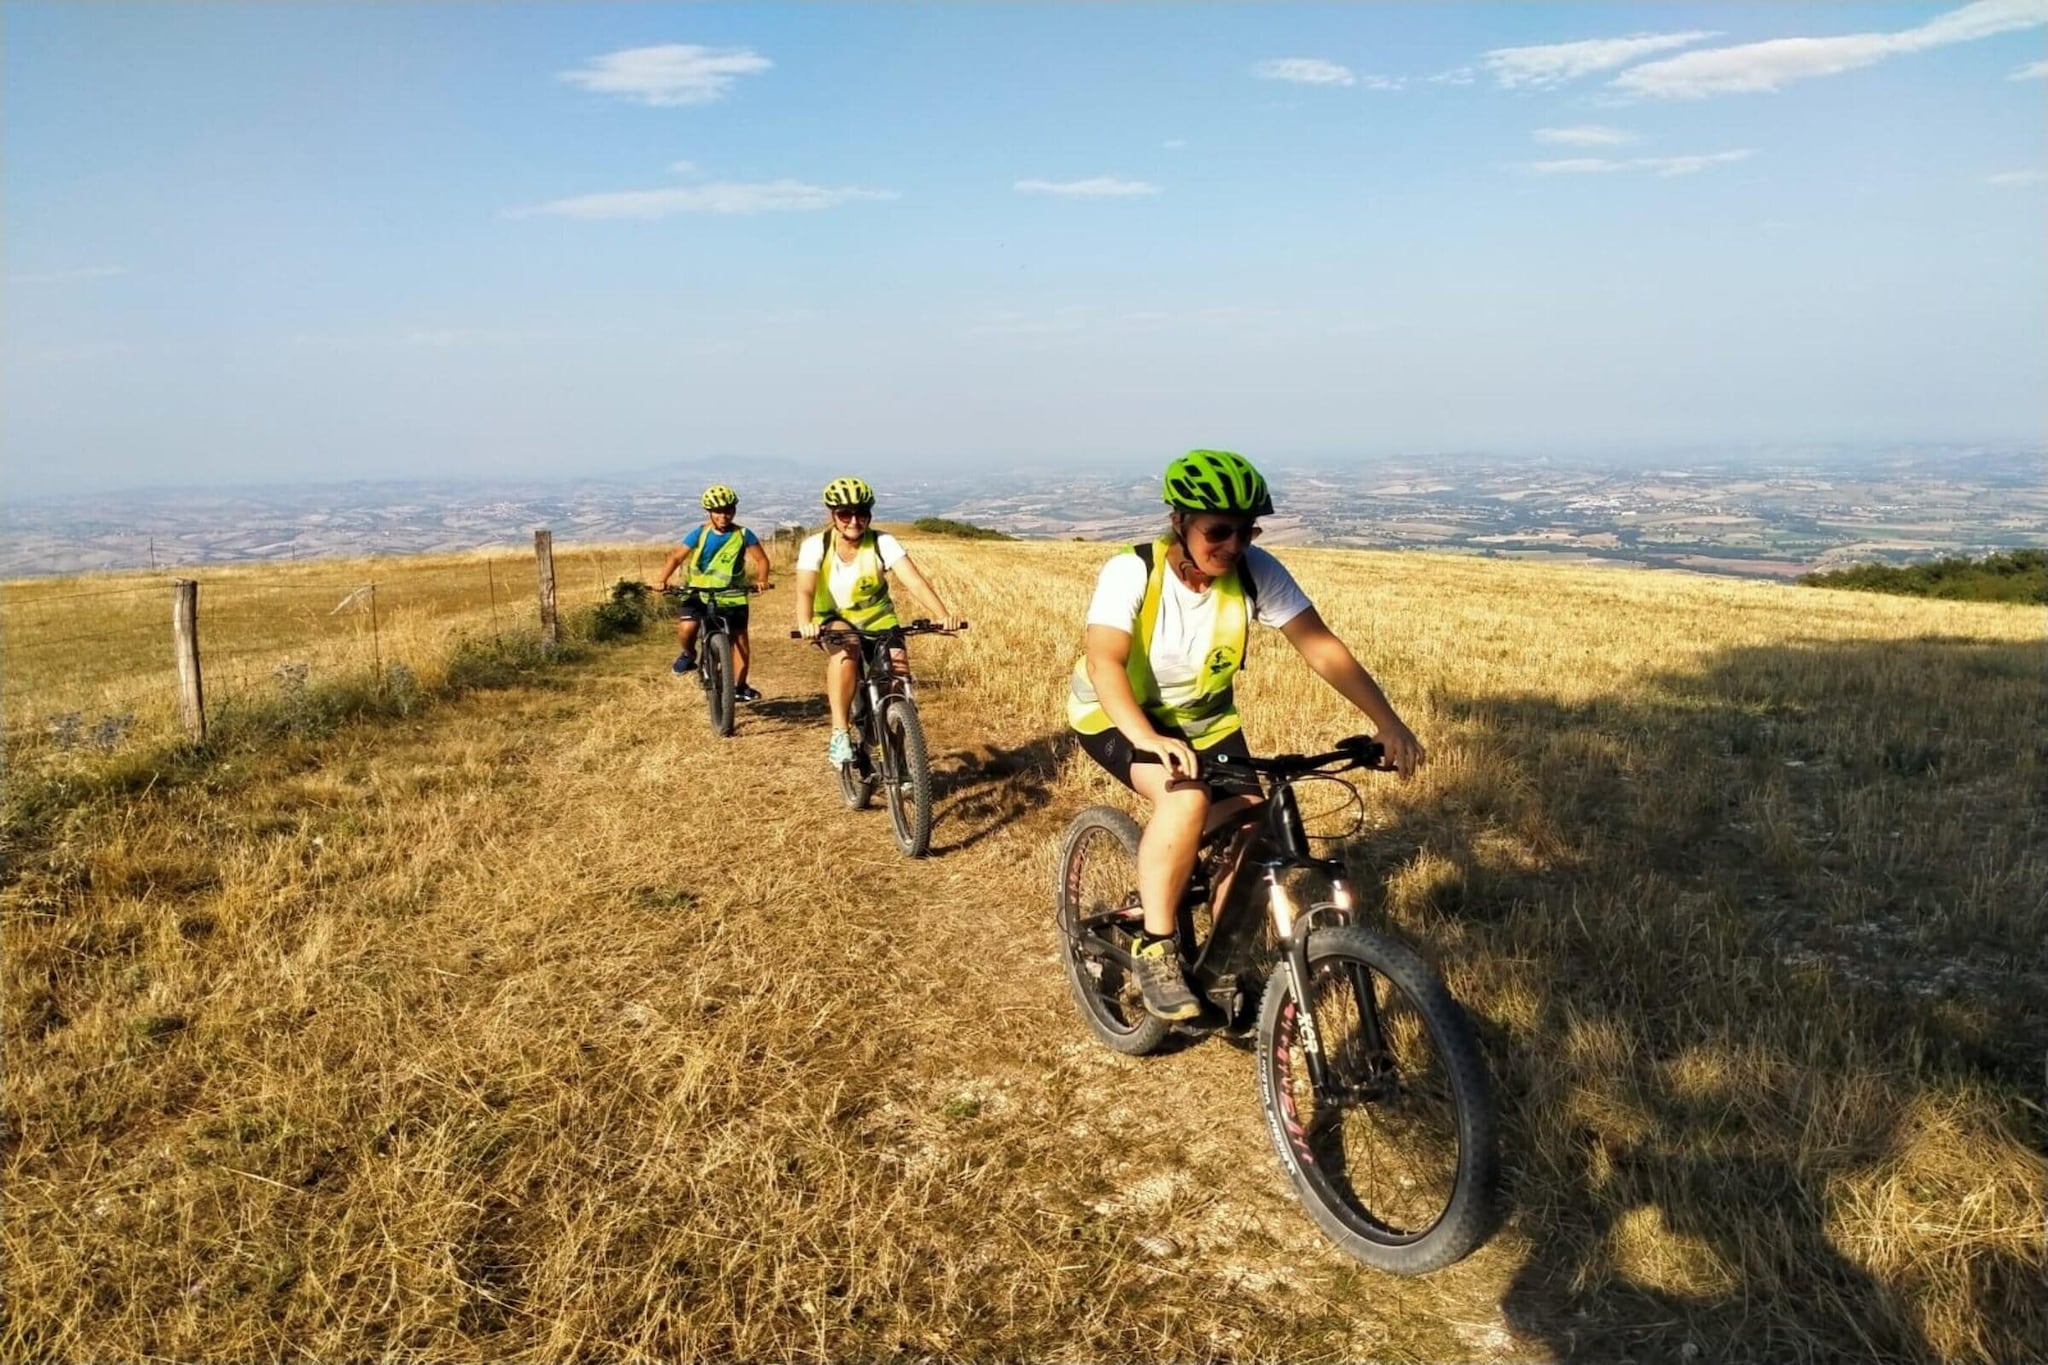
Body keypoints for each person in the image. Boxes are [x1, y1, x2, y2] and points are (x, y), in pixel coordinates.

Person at [1067, 449, 1425, 1020]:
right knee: (1184, 800)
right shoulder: (1130, 571)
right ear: (1179, 522)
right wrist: (1149, 739)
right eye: (1219, 530)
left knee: (1256, 819)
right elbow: (1106, 663)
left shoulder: (1257, 572)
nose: (1234, 545)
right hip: (1116, 715)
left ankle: (1222, 961)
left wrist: (1389, 722)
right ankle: (1156, 947)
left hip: (1206, 722)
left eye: (1247, 531)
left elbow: (1321, 647)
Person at [794, 476, 957, 767]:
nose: (854, 520)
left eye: (862, 513)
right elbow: (805, 589)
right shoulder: (815, 546)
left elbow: (915, 582)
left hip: (880, 620)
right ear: (832, 515)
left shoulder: (883, 542)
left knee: (897, 678)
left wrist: (942, 615)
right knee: (847, 650)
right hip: (835, 620)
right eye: (845, 514)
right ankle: (840, 732)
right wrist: (806, 621)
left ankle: (900, 758)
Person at [654, 484, 774, 703]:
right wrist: (662, 579)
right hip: (697, 592)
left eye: (728, 510)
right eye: (718, 511)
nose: (724, 515)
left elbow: (761, 559)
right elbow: (676, 557)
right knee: (687, 627)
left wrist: (762, 580)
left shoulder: (744, 534)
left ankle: (739, 686)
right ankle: (689, 654)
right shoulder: (700, 533)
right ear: (709, 512)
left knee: (741, 644)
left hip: (731, 594)